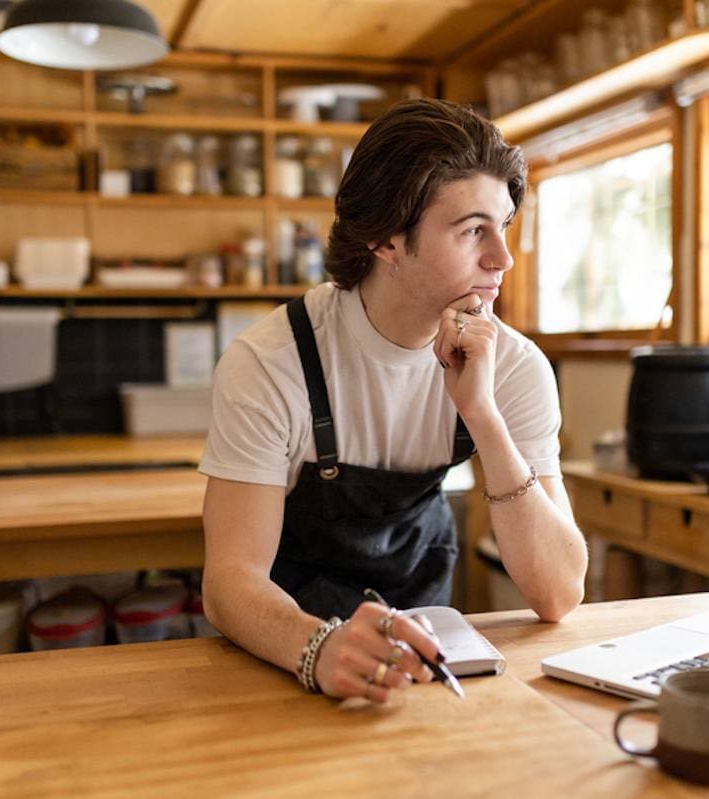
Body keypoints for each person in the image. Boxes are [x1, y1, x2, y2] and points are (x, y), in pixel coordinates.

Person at [199, 98, 587, 702]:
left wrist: (481, 415)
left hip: (426, 649)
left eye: (504, 226)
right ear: (385, 239)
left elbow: (559, 593)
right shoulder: (273, 362)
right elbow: (230, 582)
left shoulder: (514, 367)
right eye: (472, 231)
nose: (503, 259)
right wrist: (318, 649)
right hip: (281, 652)